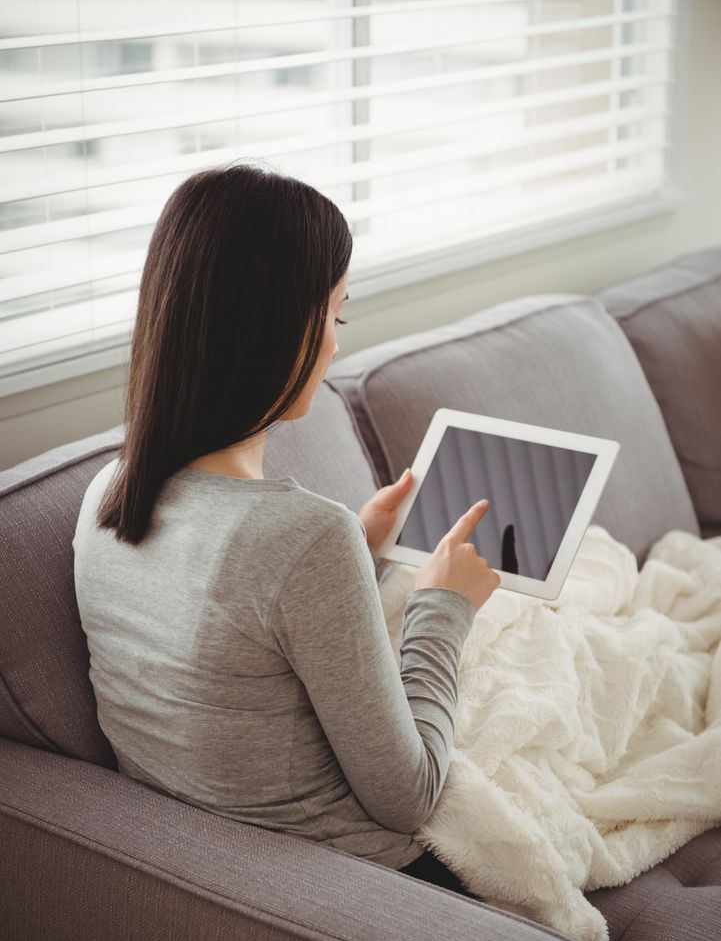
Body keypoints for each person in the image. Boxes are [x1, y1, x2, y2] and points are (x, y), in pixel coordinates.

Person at [72, 162, 500, 898]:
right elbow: (407, 796)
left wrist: (360, 548)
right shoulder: (301, 536)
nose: (335, 343)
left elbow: (240, 664)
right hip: (370, 885)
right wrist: (442, 608)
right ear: (275, 327)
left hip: (212, 868)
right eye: (334, 316)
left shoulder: (104, 494)